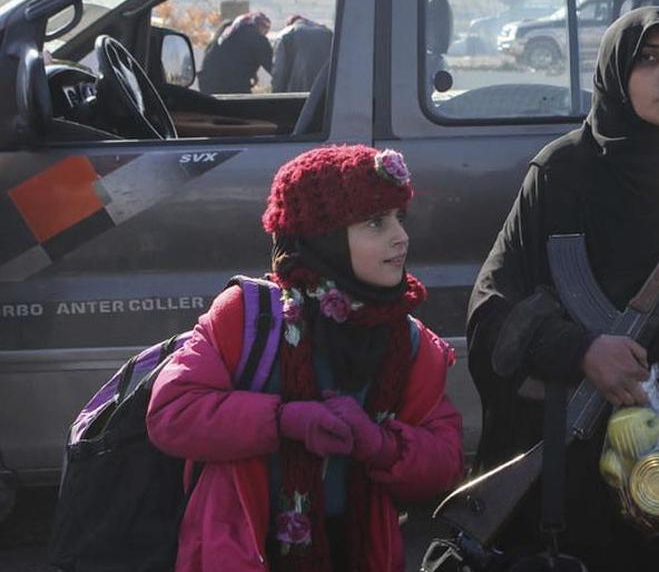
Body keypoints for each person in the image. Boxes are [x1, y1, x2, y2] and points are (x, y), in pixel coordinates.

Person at [467, 7, 659, 572]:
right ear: (615, 74)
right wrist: (581, 350)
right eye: (650, 59)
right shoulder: (563, 172)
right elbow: (494, 309)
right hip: (580, 465)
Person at [147, 145, 464, 572]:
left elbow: (445, 462)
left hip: (352, 551)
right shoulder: (248, 316)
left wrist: (380, 444)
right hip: (246, 550)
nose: (400, 237)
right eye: (375, 222)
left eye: (398, 218)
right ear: (322, 237)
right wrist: (282, 420)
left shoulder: (407, 341)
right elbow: (171, 413)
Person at [198, 11, 274, 94]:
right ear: (260, 25)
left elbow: (231, 57)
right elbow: (274, 69)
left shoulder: (226, 30)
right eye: (265, 29)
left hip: (208, 86)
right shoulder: (257, 39)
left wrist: (252, 72)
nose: (265, 33)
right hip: (234, 89)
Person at [272, 15, 334, 93]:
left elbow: (279, 72)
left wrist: (276, 96)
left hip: (296, 95)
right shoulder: (327, 33)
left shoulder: (286, 34)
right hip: (324, 94)